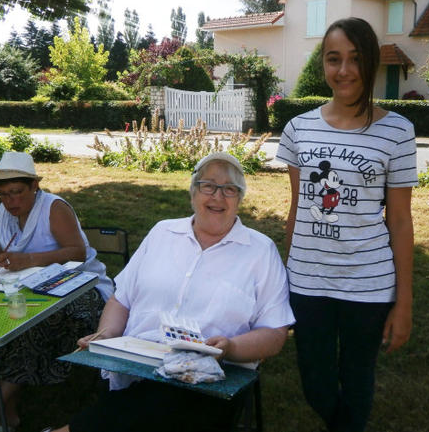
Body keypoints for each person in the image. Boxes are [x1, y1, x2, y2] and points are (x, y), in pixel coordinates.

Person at [43, 152, 295, 432]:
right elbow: (121, 298)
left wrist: (231, 348)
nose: (217, 197)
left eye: (229, 189)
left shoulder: (260, 251)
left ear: (240, 199)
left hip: (208, 377)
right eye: (208, 186)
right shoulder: (162, 233)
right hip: (137, 364)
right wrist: (106, 336)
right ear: (193, 192)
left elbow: (274, 334)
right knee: (144, 407)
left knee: (155, 409)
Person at [275, 17, 417, 432]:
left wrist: (403, 302)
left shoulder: (396, 131)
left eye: (355, 59)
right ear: (323, 64)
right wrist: (286, 273)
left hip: (369, 284)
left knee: (357, 380)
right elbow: (297, 208)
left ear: (370, 62)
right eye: (334, 59)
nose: (344, 70)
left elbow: (402, 221)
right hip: (308, 281)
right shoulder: (298, 128)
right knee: (315, 384)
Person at [0, 152, 114, 432]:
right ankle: (8, 414)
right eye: (3, 195)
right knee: (0, 320)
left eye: (17, 193)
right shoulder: (4, 214)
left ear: (34, 186)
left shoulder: (53, 208)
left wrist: (29, 260)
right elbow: (6, 253)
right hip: (32, 287)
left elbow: (78, 253)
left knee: (33, 327)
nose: (11, 202)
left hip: (82, 289)